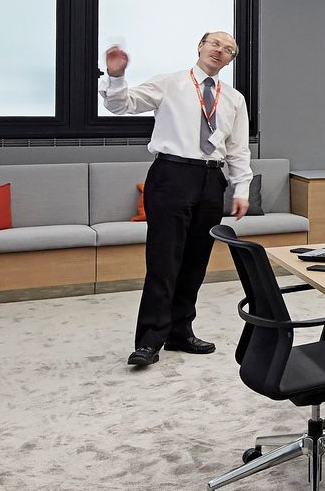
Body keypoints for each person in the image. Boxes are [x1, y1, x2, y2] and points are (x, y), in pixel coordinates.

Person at [102, 31, 251, 369]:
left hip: (212, 180)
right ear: (200, 47)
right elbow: (121, 104)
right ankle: (149, 341)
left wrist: (241, 190)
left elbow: (238, 149)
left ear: (230, 60)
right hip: (171, 175)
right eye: (215, 44)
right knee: (164, 262)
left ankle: (181, 333)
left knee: (195, 262)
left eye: (228, 50)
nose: (220, 51)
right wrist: (116, 76)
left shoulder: (234, 99)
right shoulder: (170, 83)